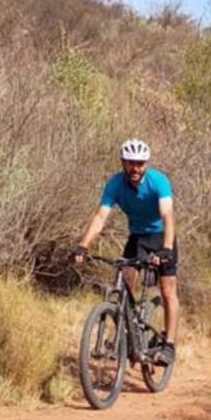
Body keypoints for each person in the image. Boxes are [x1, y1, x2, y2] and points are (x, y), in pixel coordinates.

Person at [74, 138, 177, 362]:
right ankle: (120, 335)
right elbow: (101, 216)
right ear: (123, 162)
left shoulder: (158, 181)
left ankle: (169, 344)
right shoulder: (115, 184)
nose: (135, 168)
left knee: (168, 290)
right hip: (137, 237)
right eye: (130, 163)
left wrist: (167, 249)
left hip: (161, 237)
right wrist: (83, 244)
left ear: (146, 164)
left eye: (140, 164)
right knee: (125, 279)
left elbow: (167, 215)